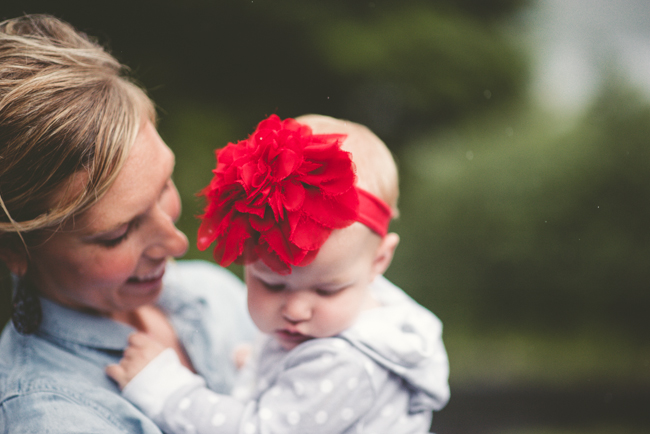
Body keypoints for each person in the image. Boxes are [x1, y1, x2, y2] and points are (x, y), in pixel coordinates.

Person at [107, 114, 451, 433]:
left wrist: (167, 390)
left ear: (379, 260)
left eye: (327, 291)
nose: (296, 310)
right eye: (272, 285)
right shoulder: (355, 321)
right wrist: (263, 367)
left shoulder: (347, 364)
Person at [0, 14, 256, 433]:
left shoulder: (209, 294)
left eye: (164, 187)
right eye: (117, 235)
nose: (176, 245)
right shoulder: (55, 417)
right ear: (15, 251)